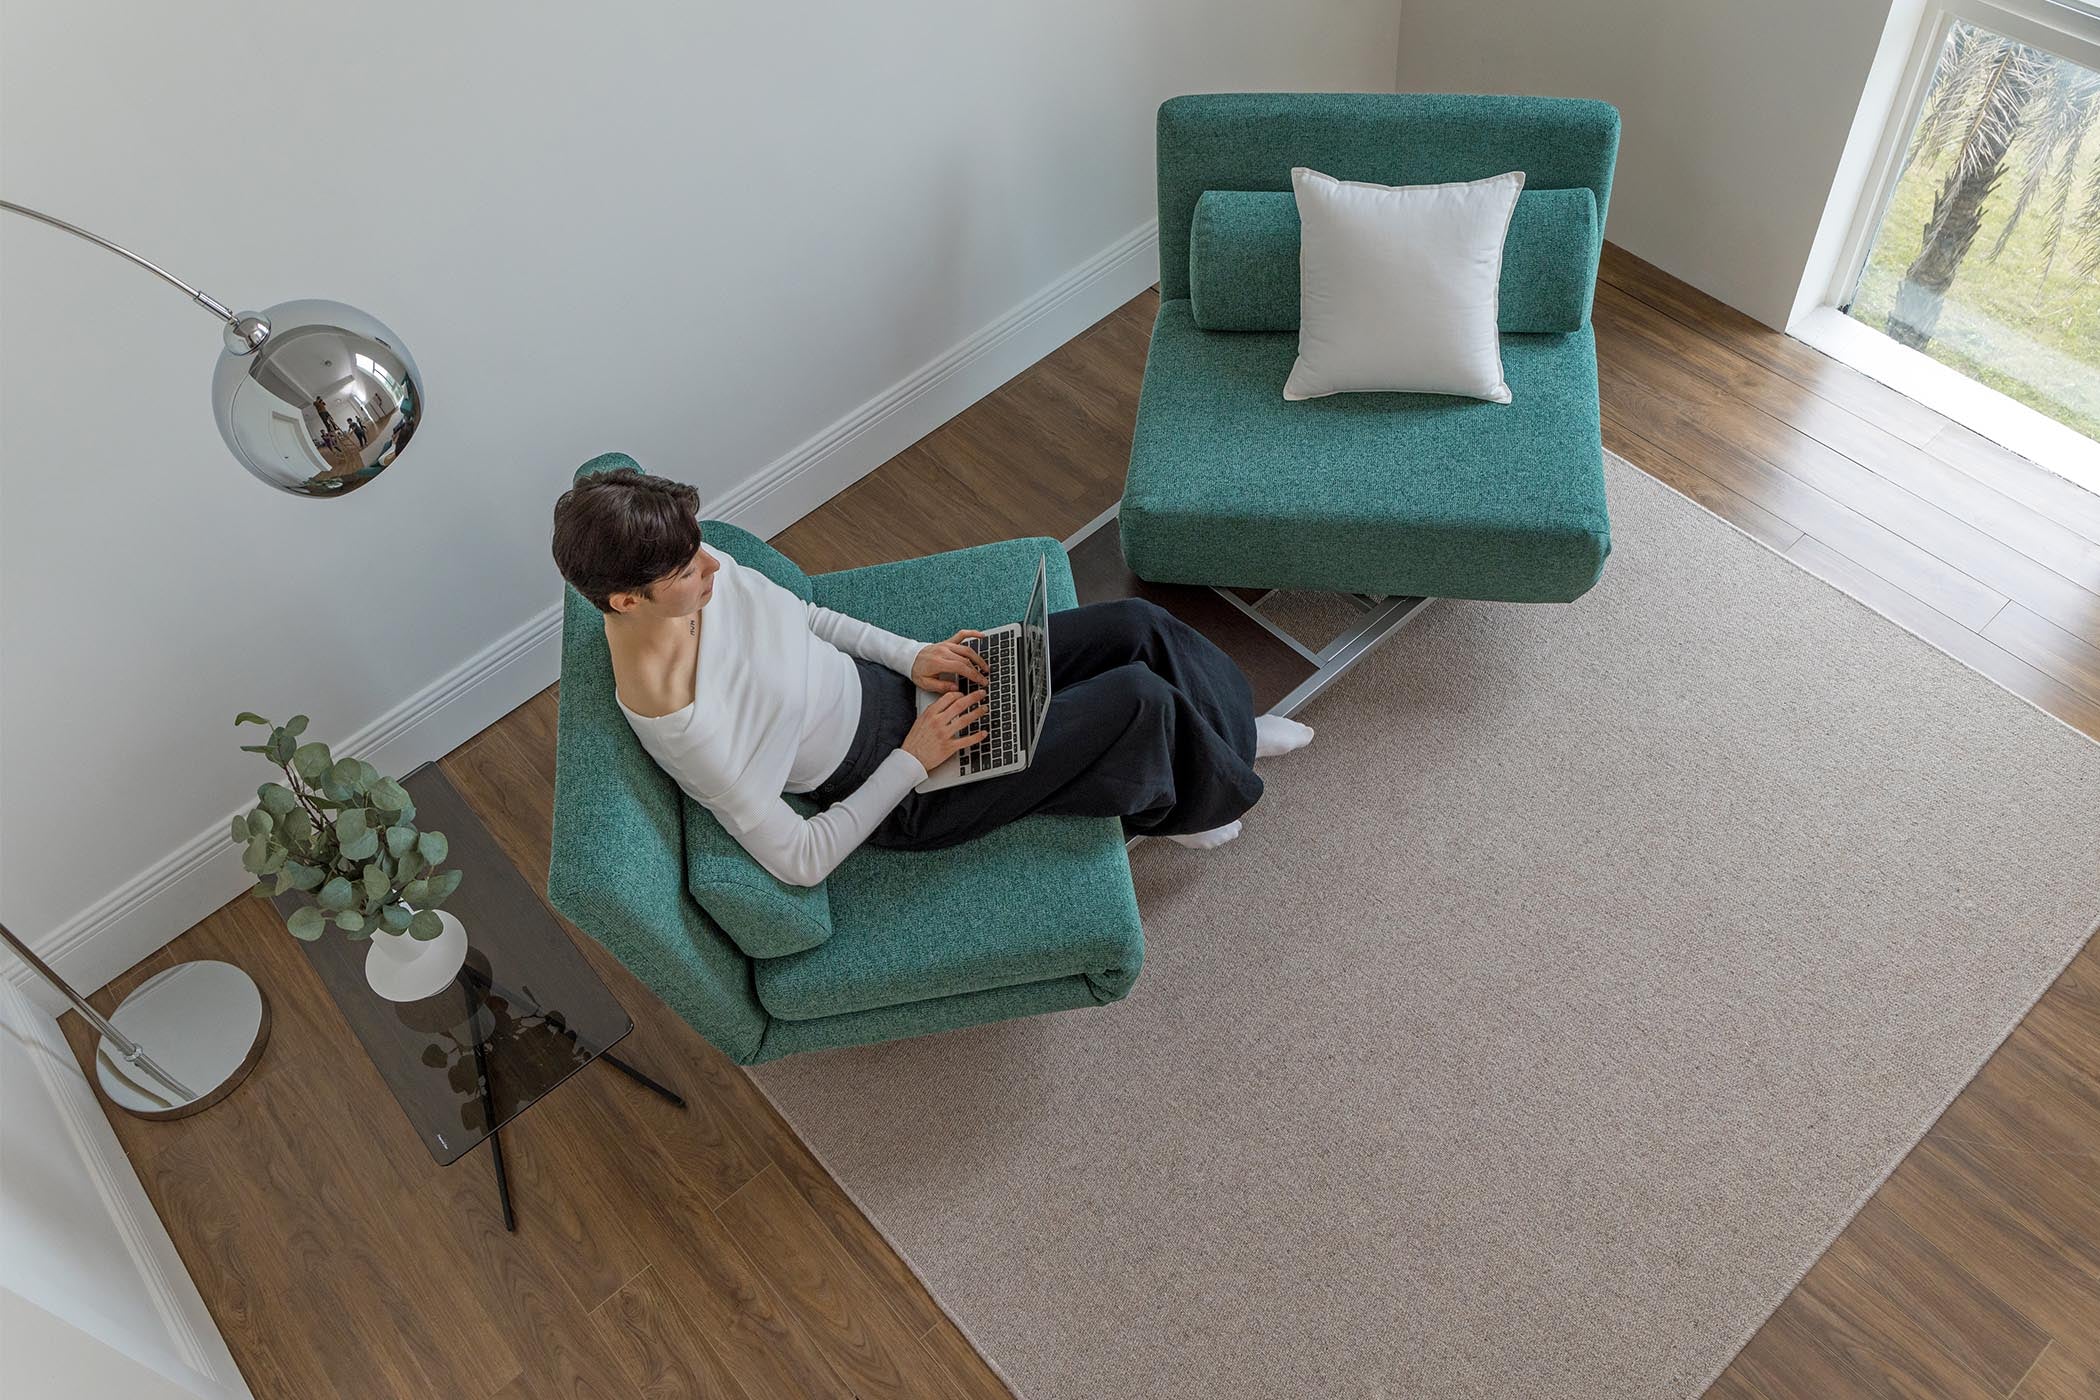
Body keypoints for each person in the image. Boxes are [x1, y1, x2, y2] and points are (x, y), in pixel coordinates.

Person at [549, 468, 1315, 889]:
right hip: (901, 791)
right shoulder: (685, 722)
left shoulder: (700, 570)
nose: (714, 564)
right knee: (1137, 702)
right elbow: (801, 861)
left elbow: (808, 616)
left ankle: (1235, 731)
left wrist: (914, 654)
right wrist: (914, 755)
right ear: (626, 601)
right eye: (688, 569)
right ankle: (1196, 798)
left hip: (907, 696)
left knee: (1137, 628)